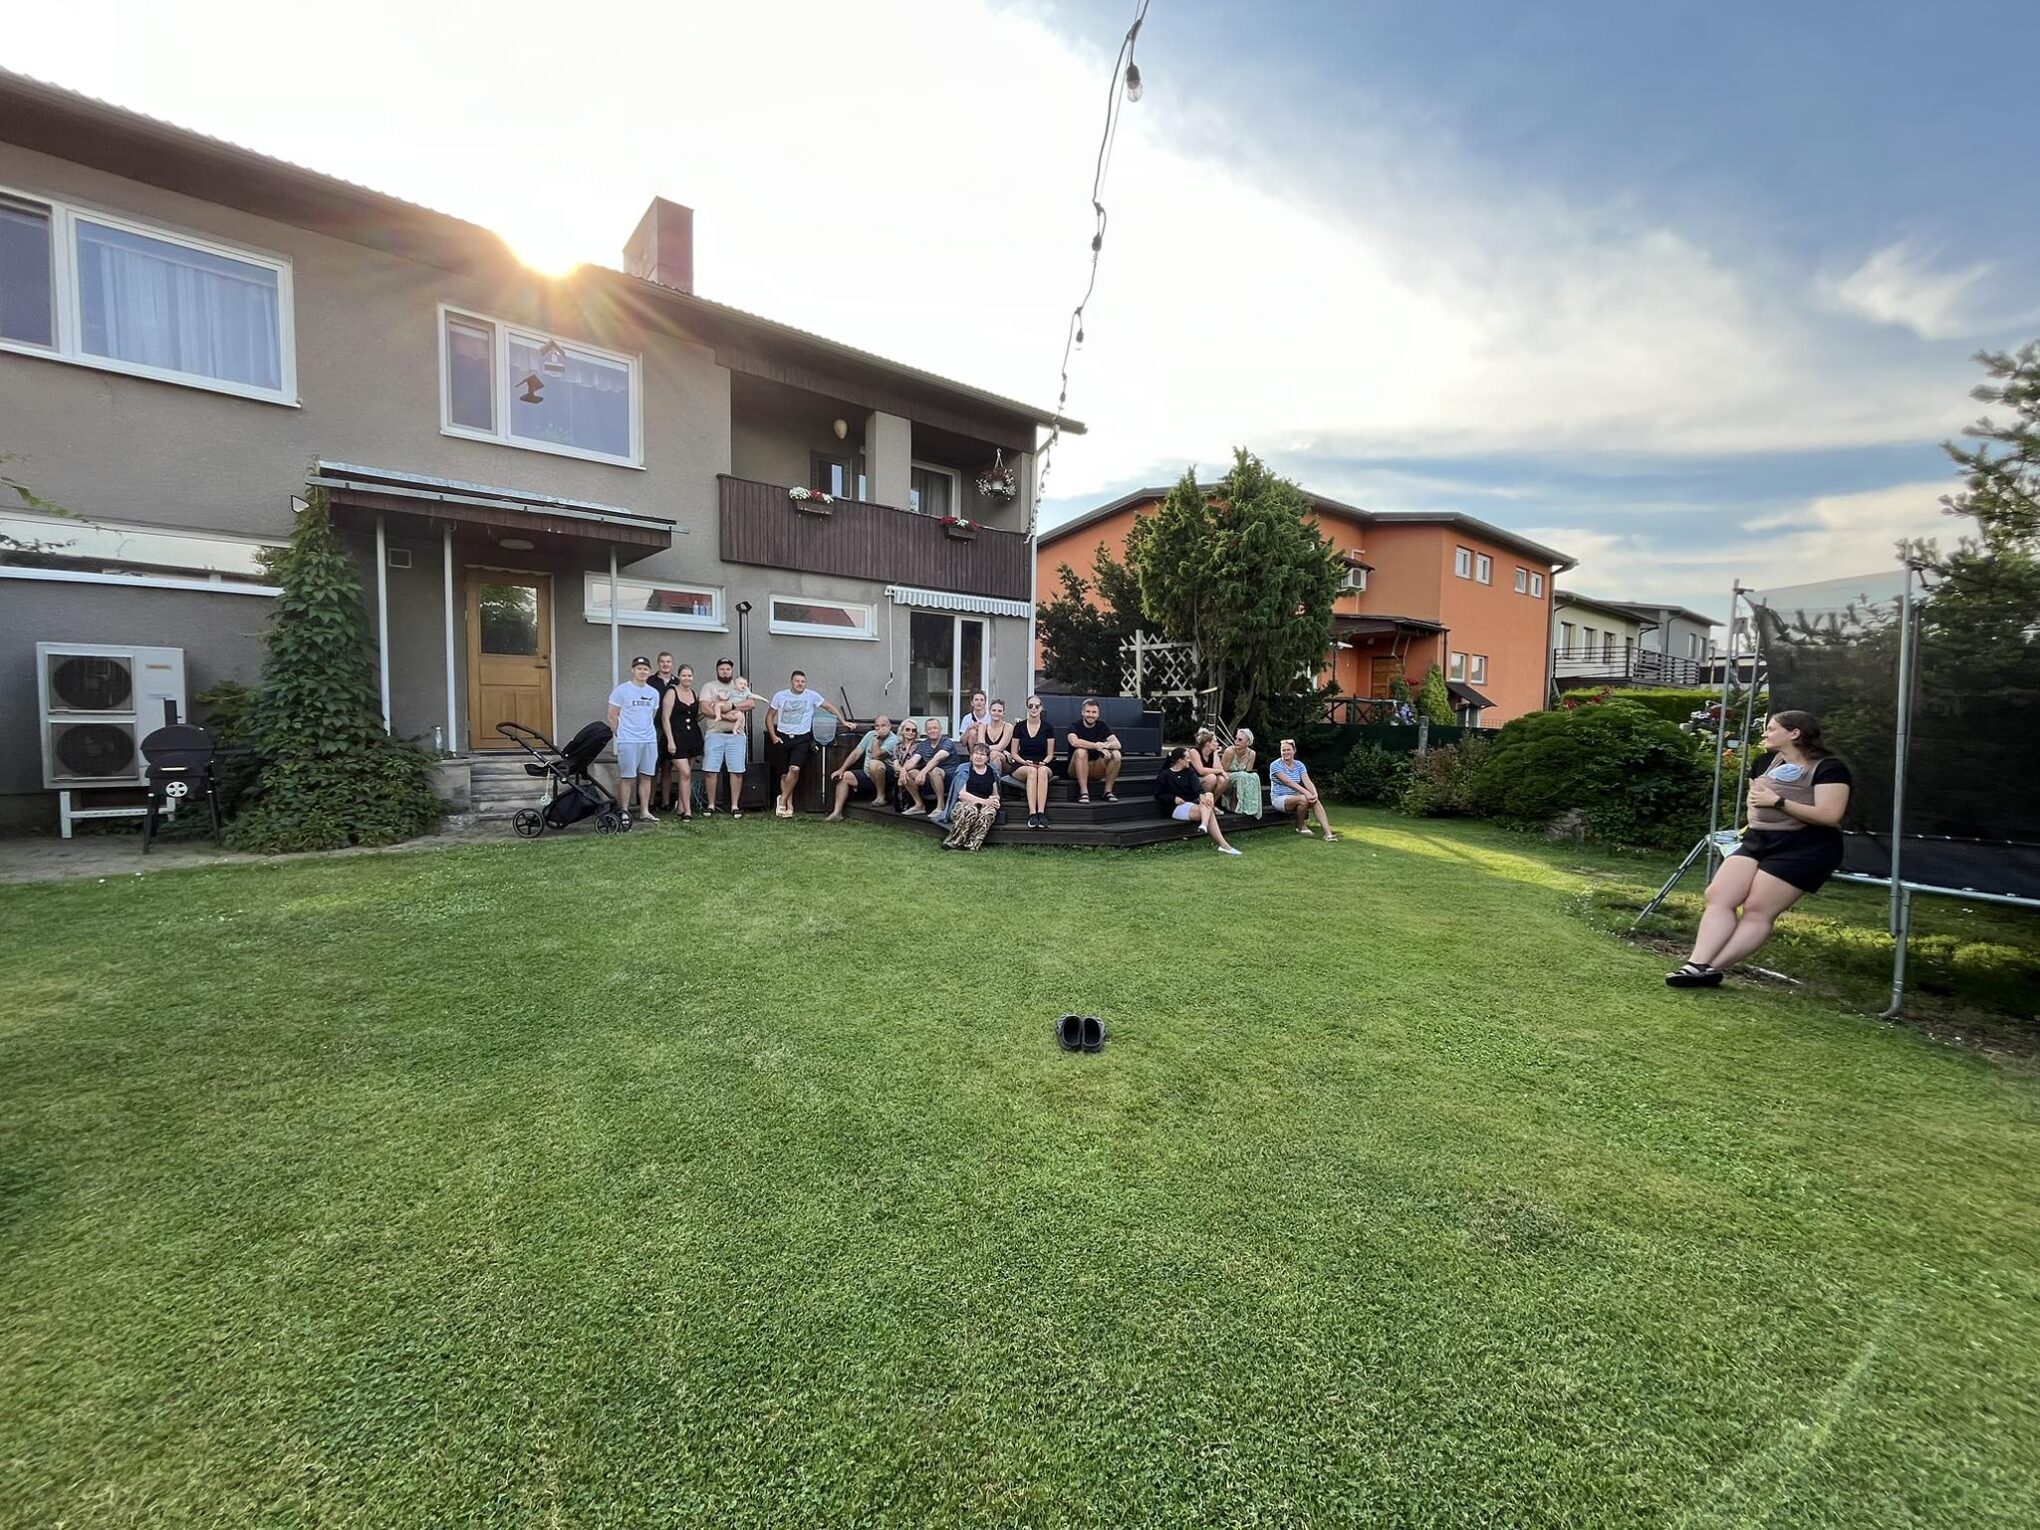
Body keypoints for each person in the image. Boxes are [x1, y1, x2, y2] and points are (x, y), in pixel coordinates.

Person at [1668, 710, 1854, 988]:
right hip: (1758, 839)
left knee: (1757, 908)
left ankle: (1709, 969)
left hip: (1806, 846)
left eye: (1771, 728)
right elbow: (1755, 802)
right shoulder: (1764, 762)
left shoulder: (1829, 768)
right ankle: (1695, 963)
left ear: (1794, 733)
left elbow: (1830, 815)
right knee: (1719, 895)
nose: (1765, 733)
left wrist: (1778, 801)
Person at [765, 670, 846, 818]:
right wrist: (773, 736)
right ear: (791, 682)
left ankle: (782, 800)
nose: (800, 684)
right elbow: (769, 716)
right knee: (784, 775)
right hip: (783, 737)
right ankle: (788, 806)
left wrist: (843, 721)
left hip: (802, 738)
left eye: (802, 681)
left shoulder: (812, 695)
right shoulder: (780, 696)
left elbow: (829, 707)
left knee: (795, 769)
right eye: (797, 681)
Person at [1154, 745, 1242, 855]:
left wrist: (1201, 796)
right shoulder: (1165, 775)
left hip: (1192, 804)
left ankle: (1205, 825)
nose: (1190, 760)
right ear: (1180, 760)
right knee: (1209, 810)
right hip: (1175, 807)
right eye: (1187, 758)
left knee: (1208, 795)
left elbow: (1197, 788)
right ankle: (1223, 844)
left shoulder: (1189, 772)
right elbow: (1158, 795)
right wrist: (1173, 798)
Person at [606, 656, 663, 825]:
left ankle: (644, 811)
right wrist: (621, 734)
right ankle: (624, 811)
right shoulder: (621, 690)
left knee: (646, 776)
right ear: (633, 670)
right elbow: (612, 716)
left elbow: (651, 715)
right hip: (628, 740)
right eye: (639, 669)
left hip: (649, 740)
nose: (642, 672)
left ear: (650, 671)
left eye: (645, 669)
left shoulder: (653, 693)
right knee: (627, 777)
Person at [941, 696, 1014, 825]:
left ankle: (996, 793)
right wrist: (984, 752)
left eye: (999, 711)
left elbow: (1000, 746)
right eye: (994, 710)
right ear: (990, 711)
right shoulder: (983, 727)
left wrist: (986, 751)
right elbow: (980, 746)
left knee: (995, 754)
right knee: (986, 756)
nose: (996, 713)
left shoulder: (1008, 726)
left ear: (1003, 713)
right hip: (987, 759)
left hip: (1005, 762)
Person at [698, 658, 755, 818]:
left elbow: (751, 703)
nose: (725, 672)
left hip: (736, 736)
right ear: (717, 670)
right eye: (722, 669)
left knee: (736, 771)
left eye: (728, 669)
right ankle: (711, 805)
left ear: (732, 671)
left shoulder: (740, 686)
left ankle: (735, 806)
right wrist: (726, 716)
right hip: (714, 733)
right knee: (711, 770)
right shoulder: (709, 687)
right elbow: (705, 708)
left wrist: (733, 706)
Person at [825, 714, 898, 821]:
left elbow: (876, 755)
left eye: (883, 725)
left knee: (874, 763)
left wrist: (876, 738)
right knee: (844, 776)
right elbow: (856, 753)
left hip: (886, 776)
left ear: (889, 726)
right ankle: (837, 813)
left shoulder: (893, 739)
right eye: (877, 726)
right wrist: (841, 769)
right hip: (868, 774)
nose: (880, 728)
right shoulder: (870, 734)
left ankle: (881, 797)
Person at [658, 662, 703, 822]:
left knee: (687, 774)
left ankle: (681, 807)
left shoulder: (693, 693)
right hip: (676, 737)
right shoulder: (672, 692)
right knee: (685, 773)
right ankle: (687, 812)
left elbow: (695, 717)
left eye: (689, 675)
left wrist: (707, 711)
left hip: (692, 737)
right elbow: (665, 718)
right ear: (679, 676)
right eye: (684, 675)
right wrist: (670, 740)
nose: (687, 678)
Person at [1270, 739, 1338, 840]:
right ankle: (1301, 826)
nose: (1285, 752)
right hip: (1280, 799)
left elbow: (1307, 781)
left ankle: (1328, 834)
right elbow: (1288, 782)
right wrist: (1306, 793)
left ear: (1294, 750)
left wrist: (1314, 794)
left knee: (1315, 801)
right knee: (1303, 798)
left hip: (1296, 797)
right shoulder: (1275, 765)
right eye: (1283, 750)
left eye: (1288, 750)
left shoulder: (1299, 765)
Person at [942, 742, 1003, 850]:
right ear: (971, 756)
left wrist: (995, 800)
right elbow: (962, 795)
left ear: (987, 758)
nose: (978, 756)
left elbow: (995, 794)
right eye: (976, 753)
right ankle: (954, 841)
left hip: (985, 803)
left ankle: (972, 844)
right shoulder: (964, 769)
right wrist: (984, 802)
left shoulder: (992, 771)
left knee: (988, 812)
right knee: (971, 810)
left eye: (982, 754)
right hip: (965, 803)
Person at [1010, 695, 1058, 829]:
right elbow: (1014, 753)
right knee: (1032, 771)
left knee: (1041, 771)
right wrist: (1025, 762)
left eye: (1037, 706)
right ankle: (1032, 814)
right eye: (1031, 706)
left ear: (1041, 708)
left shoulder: (1048, 728)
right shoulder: (1019, 727)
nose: (1034, 708)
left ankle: (1041, 813)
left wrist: (1044, 762)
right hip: (1022, 763)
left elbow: (1050, 754)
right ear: (1027, 708)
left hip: (1043, 762)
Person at [1065, 697, 1124, 803]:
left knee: (1116, 754)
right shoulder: (1074, 726)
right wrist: (1095, 746)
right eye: (1088, 711)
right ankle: (1084, 792)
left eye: (1094, 712)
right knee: (1081, 751)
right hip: (1075, 768)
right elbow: (1074, 742)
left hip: (1095, 767)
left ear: (1098, 714)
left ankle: (1108, 791)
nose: (1091, 715)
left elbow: (1117, 744)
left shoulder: (1102, 726)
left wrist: (1105, 745)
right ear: (1082, 712)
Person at [896, 718, 953, 817]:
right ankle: (919, 805)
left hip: (948, 779)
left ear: (940, 729)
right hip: (930, 778)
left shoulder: (947, 742)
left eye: (935, 728)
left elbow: (936, 759)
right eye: (929, 729)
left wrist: (923, 772)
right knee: (910, 773)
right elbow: (913, 760)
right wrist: (903, 770)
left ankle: (940, 807)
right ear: (926, 731)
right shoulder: (923, 745)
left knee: (934, 770)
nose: (932, 731)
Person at [647, 652, 678, 810]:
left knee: (667, 767)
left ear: (672, 664)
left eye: (668, 662)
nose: (665, 664)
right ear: (658, 664)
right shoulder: (650, 681)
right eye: (662, 662)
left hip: (673, 729)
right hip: (655, 728)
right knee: (652, 767)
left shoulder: (677, 682)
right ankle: (650, 802)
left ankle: (666, 803)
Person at [1222, 728, 1262, 817]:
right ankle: (1237, 806)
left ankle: (1250, 807)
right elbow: (1222, 771)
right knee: (1241, 776)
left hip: (1242, 780)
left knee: (1254, 776)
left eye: (1240, 740)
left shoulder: (1251, 754)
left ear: (1248, 742)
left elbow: (1248, 772)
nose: (1236, 741)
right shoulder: (1229, 751)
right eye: (1236, 738)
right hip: (1227, 778)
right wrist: (1238, 775)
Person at [1190, 727, 1229, 796]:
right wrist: (1220, 771)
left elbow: (1218, 769)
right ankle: (1201, 799)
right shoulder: (1194, 751)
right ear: (1208, 743)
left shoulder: (1212, 753)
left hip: (1206, 779)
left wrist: (1215, 753)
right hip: (1194, 779)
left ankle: (1212, 801)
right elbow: (1201, 771)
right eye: (1215, 741)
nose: (1218, 744)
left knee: (1222, 780)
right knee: (1211, 778)